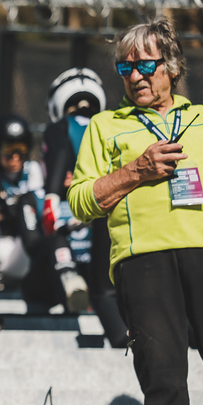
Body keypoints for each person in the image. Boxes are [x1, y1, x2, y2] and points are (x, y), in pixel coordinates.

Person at [68, 17, 203, 405]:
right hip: (142, 259)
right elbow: (80, 200)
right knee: (162, 370)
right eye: (125, 68)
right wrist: (136, 171)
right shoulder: (105, 126)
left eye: (145, 66)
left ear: (172, 66)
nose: (135, 76)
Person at [0, 114, 89, 314]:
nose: (15, 157)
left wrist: (19, 208)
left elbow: (33, 210)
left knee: (37, 239)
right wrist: (9, 210)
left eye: (21, 151)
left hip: (14, 250)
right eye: (8, 151)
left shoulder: (32, 170)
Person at [42, 68, 129, 346]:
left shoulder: (60, 128)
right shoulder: (112, 126)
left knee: (100, 288)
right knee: (109, 282)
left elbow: (57, 164)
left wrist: (50, 199)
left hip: (76, 209)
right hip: (112, 211)